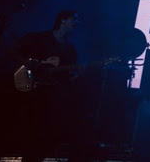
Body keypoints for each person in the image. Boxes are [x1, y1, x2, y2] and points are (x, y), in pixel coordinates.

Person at [5, 9, 90, 161]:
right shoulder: (38, 38)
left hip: (50, 100)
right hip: (29, 94)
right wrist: (26, 63)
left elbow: (66, 78)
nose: (78, 22)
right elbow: (11, 50)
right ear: (63, 20)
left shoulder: (70, 50)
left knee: (45, 137)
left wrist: (77, 75)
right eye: (74, 18)